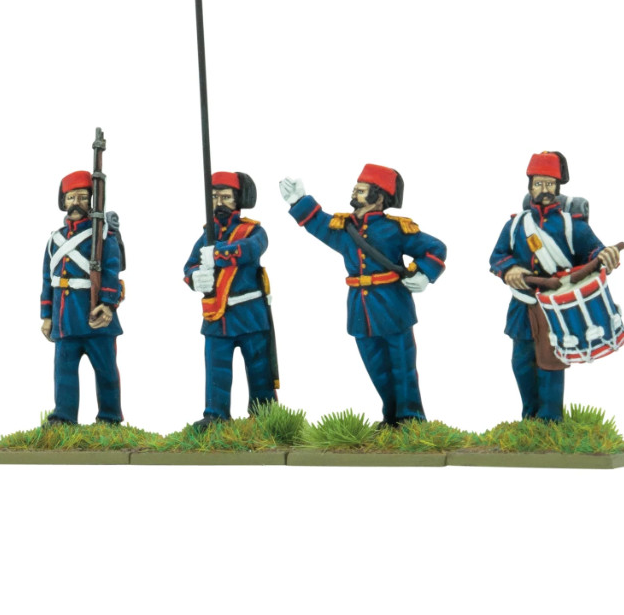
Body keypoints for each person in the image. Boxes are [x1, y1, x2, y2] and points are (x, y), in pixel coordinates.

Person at [279, 164, 446, 426]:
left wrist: (424, 274)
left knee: (402, 366)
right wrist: (299, 201)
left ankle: (411, 418)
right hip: (361, 309)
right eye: (356, 188)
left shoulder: (396, 229)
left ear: (378, 198)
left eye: (361, 190)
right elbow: (318, 223)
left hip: (393, 305)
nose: (354, 193)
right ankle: (391, 417)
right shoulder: (344, 228)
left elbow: (435, 248)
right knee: (377, 368)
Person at [489, 151, 620, 421]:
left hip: (555, 306)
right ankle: (530, 418)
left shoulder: (573, 227)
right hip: (524, 304)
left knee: (550, 363)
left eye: (550, 184)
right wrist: (510, 269)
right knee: (521, 362)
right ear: (530, 187)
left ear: (558, 188)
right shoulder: (515, 225)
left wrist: (606, 255)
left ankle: (550, 421)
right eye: (539, 183)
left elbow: (594, 252)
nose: (544, 189)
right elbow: (497, 257)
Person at [183, 172, 278, 428]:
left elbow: (251, 249)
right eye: (214, 197)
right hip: (217, 316)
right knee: (217, 370)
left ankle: (265, 416)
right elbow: (189, 265)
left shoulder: (253, 231)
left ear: (238, 199)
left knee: (259, 370)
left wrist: (218, 254)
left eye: (225, 197)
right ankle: (216, 415)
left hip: (250, 314)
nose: (219, 203)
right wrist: (195, 278)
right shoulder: (207, 234)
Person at [40, 170, 124, 424]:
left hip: (96, 318)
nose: (75, 203)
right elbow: (48, 279)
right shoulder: (55, 240)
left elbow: (111, 272)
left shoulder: (104, 236)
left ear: (92, 200)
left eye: (82, 197)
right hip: (65, 320)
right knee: (64, 373)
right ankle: (63, 417)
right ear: (63, 201)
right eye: (70, 197)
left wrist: (107, 305)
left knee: (106, 371)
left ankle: (109, 418)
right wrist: (47, 316)